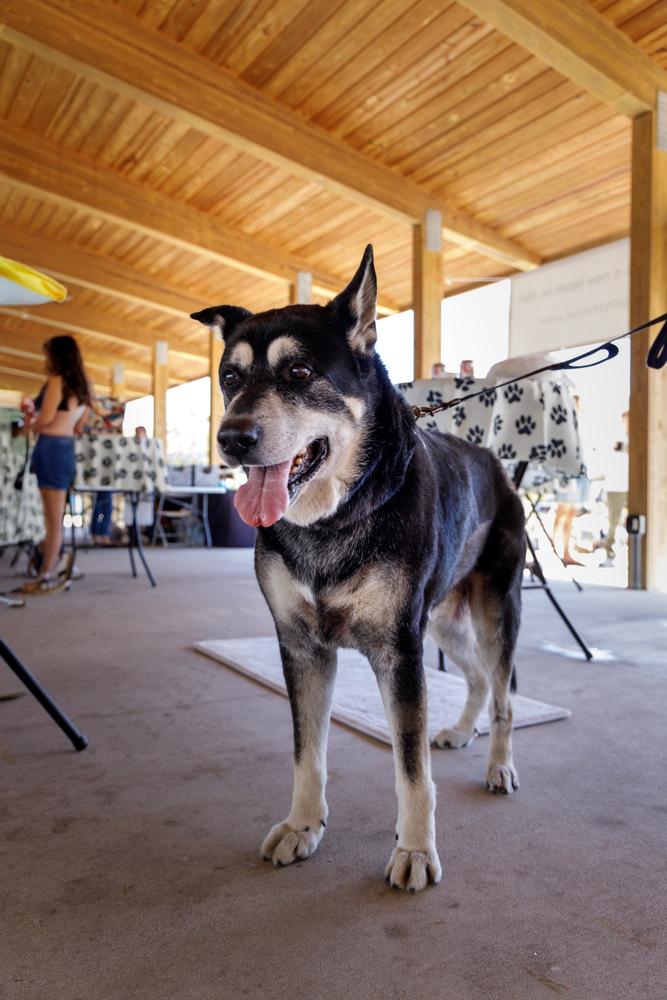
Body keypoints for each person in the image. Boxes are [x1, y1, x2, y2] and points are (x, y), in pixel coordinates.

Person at [20, 336, 92, 592]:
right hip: (67, 449)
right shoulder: (84, 386)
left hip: (50, 447)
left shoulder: (56, 380)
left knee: (51, 521)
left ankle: (46, 575)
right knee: (56, 518)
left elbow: (46, 419)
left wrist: (29, 425)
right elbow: (80, 426)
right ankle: (54, 564)